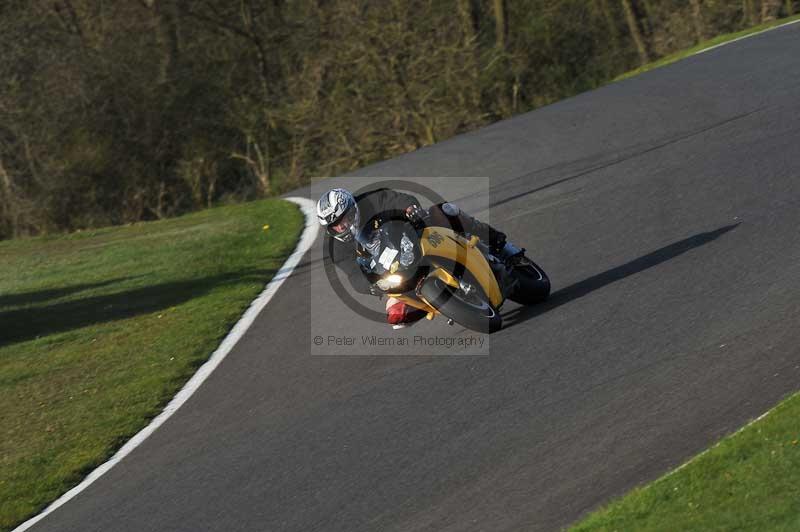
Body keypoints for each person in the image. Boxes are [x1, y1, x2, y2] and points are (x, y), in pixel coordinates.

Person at [318, 187, 513, 328]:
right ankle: (439, 305)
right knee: (396, 316)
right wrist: (371, 285)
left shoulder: (371, 200)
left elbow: (398, 199)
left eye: (343, 219)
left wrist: (410, 208)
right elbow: (353, 274)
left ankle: (500, 245)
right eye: (335, 225)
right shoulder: (336, 247)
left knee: (443, 211)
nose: (341, 227)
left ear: (352, 208)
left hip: (409, 233)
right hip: (391, 269)